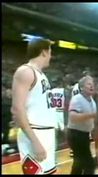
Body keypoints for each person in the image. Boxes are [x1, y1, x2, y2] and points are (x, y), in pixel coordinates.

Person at [11, 37, 57, 174]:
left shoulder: (41, 75)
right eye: (50, 51)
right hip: (35, 134)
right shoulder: (26, 71)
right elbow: (17, 109)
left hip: (46, 134)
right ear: (44, 52)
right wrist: (35, 141)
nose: (51, 56)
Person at [67, 75, 97, 174]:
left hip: (84, 134)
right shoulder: (77, 99)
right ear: (82, 87)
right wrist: (91, 115)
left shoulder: (92, 100)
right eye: (89, 84)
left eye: (93, 84)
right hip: (75, 134)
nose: (92, 86)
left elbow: (92, 120)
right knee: (89, 164)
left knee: (78, 163)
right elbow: (73, 117)